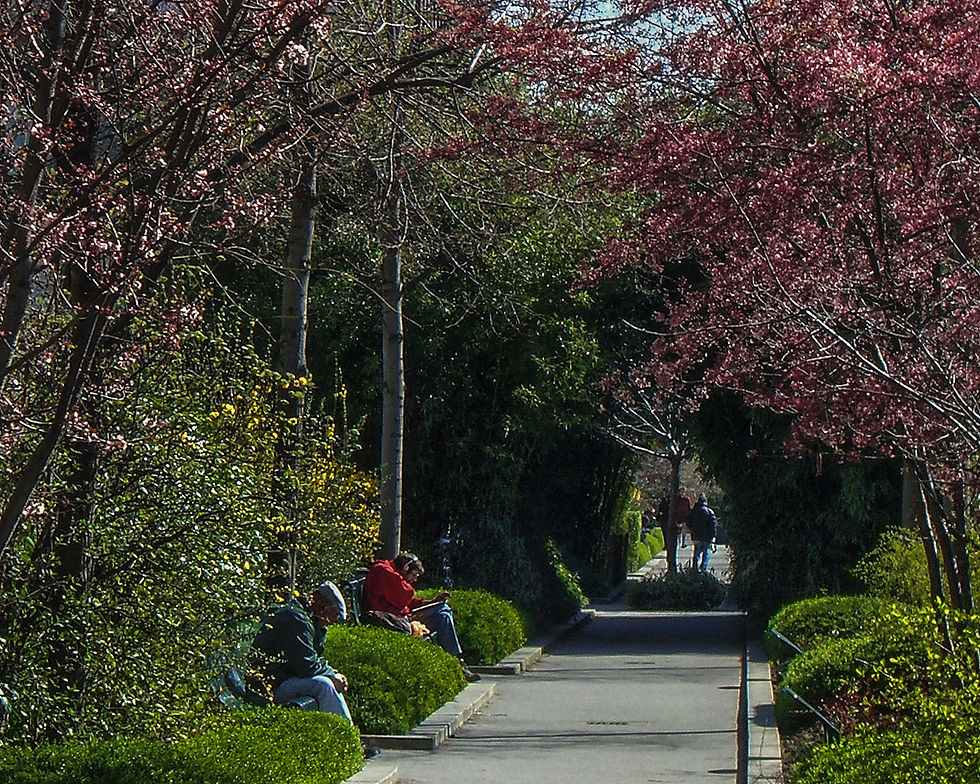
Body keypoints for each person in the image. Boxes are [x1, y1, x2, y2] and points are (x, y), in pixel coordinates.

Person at [250, 581, 380, 758]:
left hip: (282, 680)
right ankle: (349, 745)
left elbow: (314, 658)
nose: (330, 623)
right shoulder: (295, 619)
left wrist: (333, 673)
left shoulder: (307, 620)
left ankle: (347, 741)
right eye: (332, 616)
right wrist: (331, 676)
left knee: (328, 681)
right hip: (268, 687)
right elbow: (305, 665)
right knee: (323, 684)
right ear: (322, 606)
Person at [363, 552, 481, 682]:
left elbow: (409, 602)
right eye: (414, 575)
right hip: (393, 621)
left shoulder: (391, 574)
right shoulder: (382, 570)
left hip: (403, 618)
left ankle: (456, 662)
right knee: (443, 613)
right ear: (405, 568)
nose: (414, 580)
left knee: (443, 612)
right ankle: (457, 662)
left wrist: (432, 602)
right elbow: (406, 594)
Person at [686, 492, 718, 572]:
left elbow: (688, 522)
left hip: (696, 535)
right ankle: (703, 568)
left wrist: (692, 530)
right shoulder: (709, 512)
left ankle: (695, 568)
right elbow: (713, 525)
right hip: (707, 536)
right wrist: (713, 536)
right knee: (706, 552)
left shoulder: (693, 511)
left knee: (696, 552)